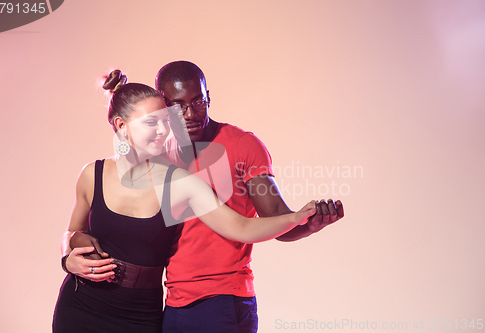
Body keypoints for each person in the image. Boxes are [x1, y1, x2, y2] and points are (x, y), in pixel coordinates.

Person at [72, 61, 345, 332]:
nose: (189, 114)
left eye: (198, 101)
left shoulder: (243, 146)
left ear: (208, 98)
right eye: (177, 107)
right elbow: (99, 226)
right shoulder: (157, 152)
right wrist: (70, 254)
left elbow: (271, 219)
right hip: (172, 302)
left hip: (222, 299)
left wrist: (305, 222)